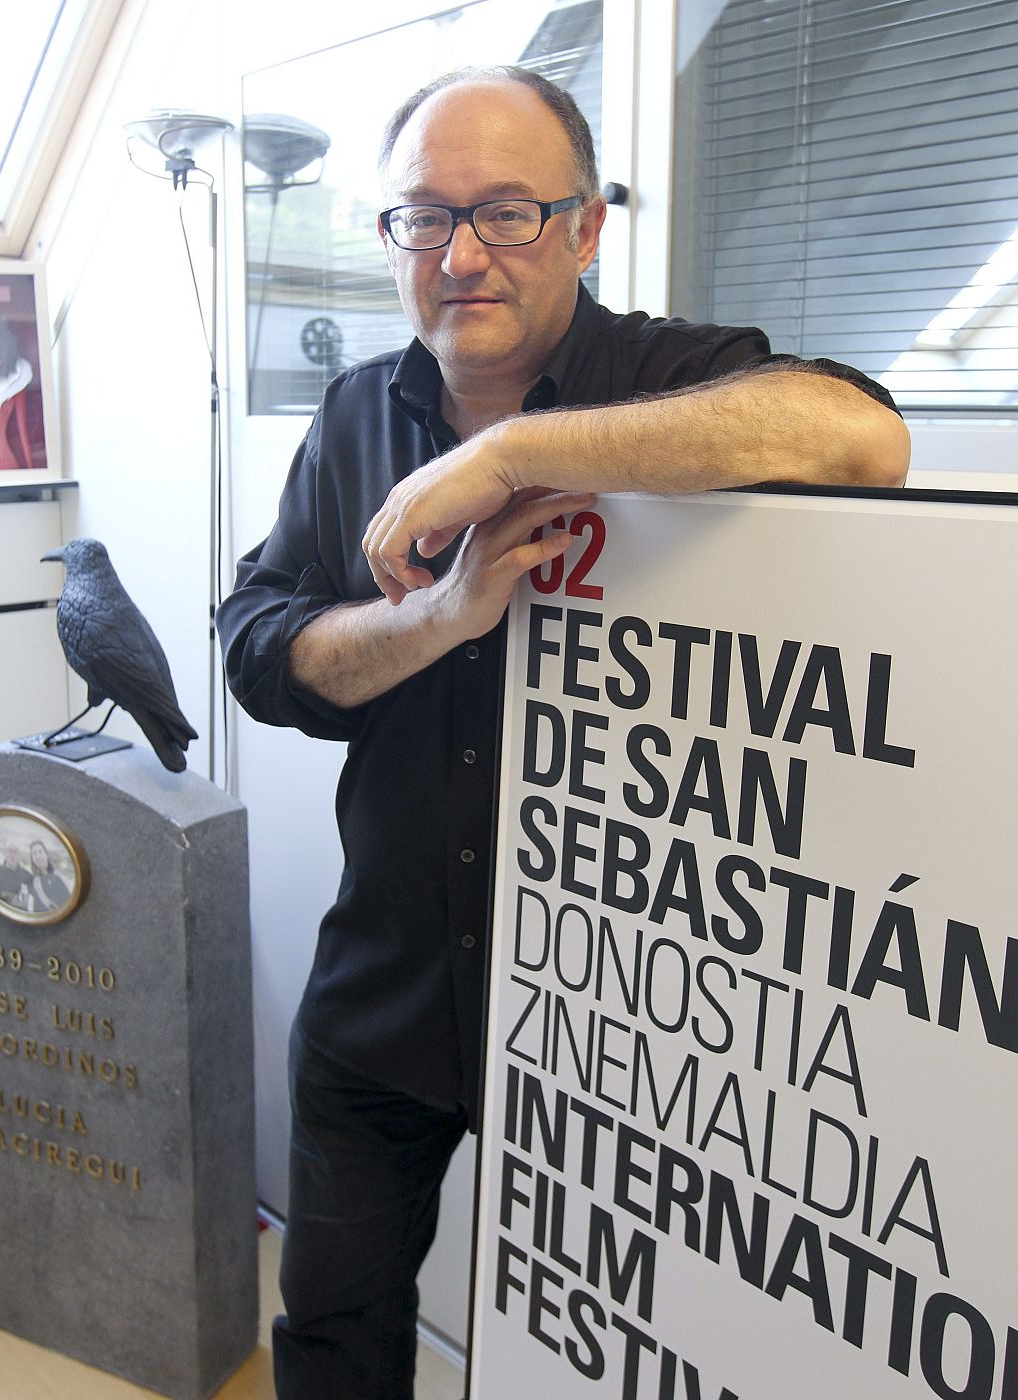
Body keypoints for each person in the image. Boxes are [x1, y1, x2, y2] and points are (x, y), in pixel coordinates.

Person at [216, 65, 910, 1400]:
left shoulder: (666, 379)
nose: (460, 255)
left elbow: (858, 438)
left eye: (506, 214)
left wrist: (505, 461)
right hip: (383, 997)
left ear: (584, 230)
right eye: (423, 218)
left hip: (619, 1033)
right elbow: (259, 648)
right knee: (330, 1339)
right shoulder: (358, 408)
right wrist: (431, 624)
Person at [27, 839, 70, 912]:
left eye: (40, 852)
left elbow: (68, 902)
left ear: (46, 855)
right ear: (32, 859)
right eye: (34, 853)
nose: (38, 856)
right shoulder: (32, 881)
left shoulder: (58, 876)